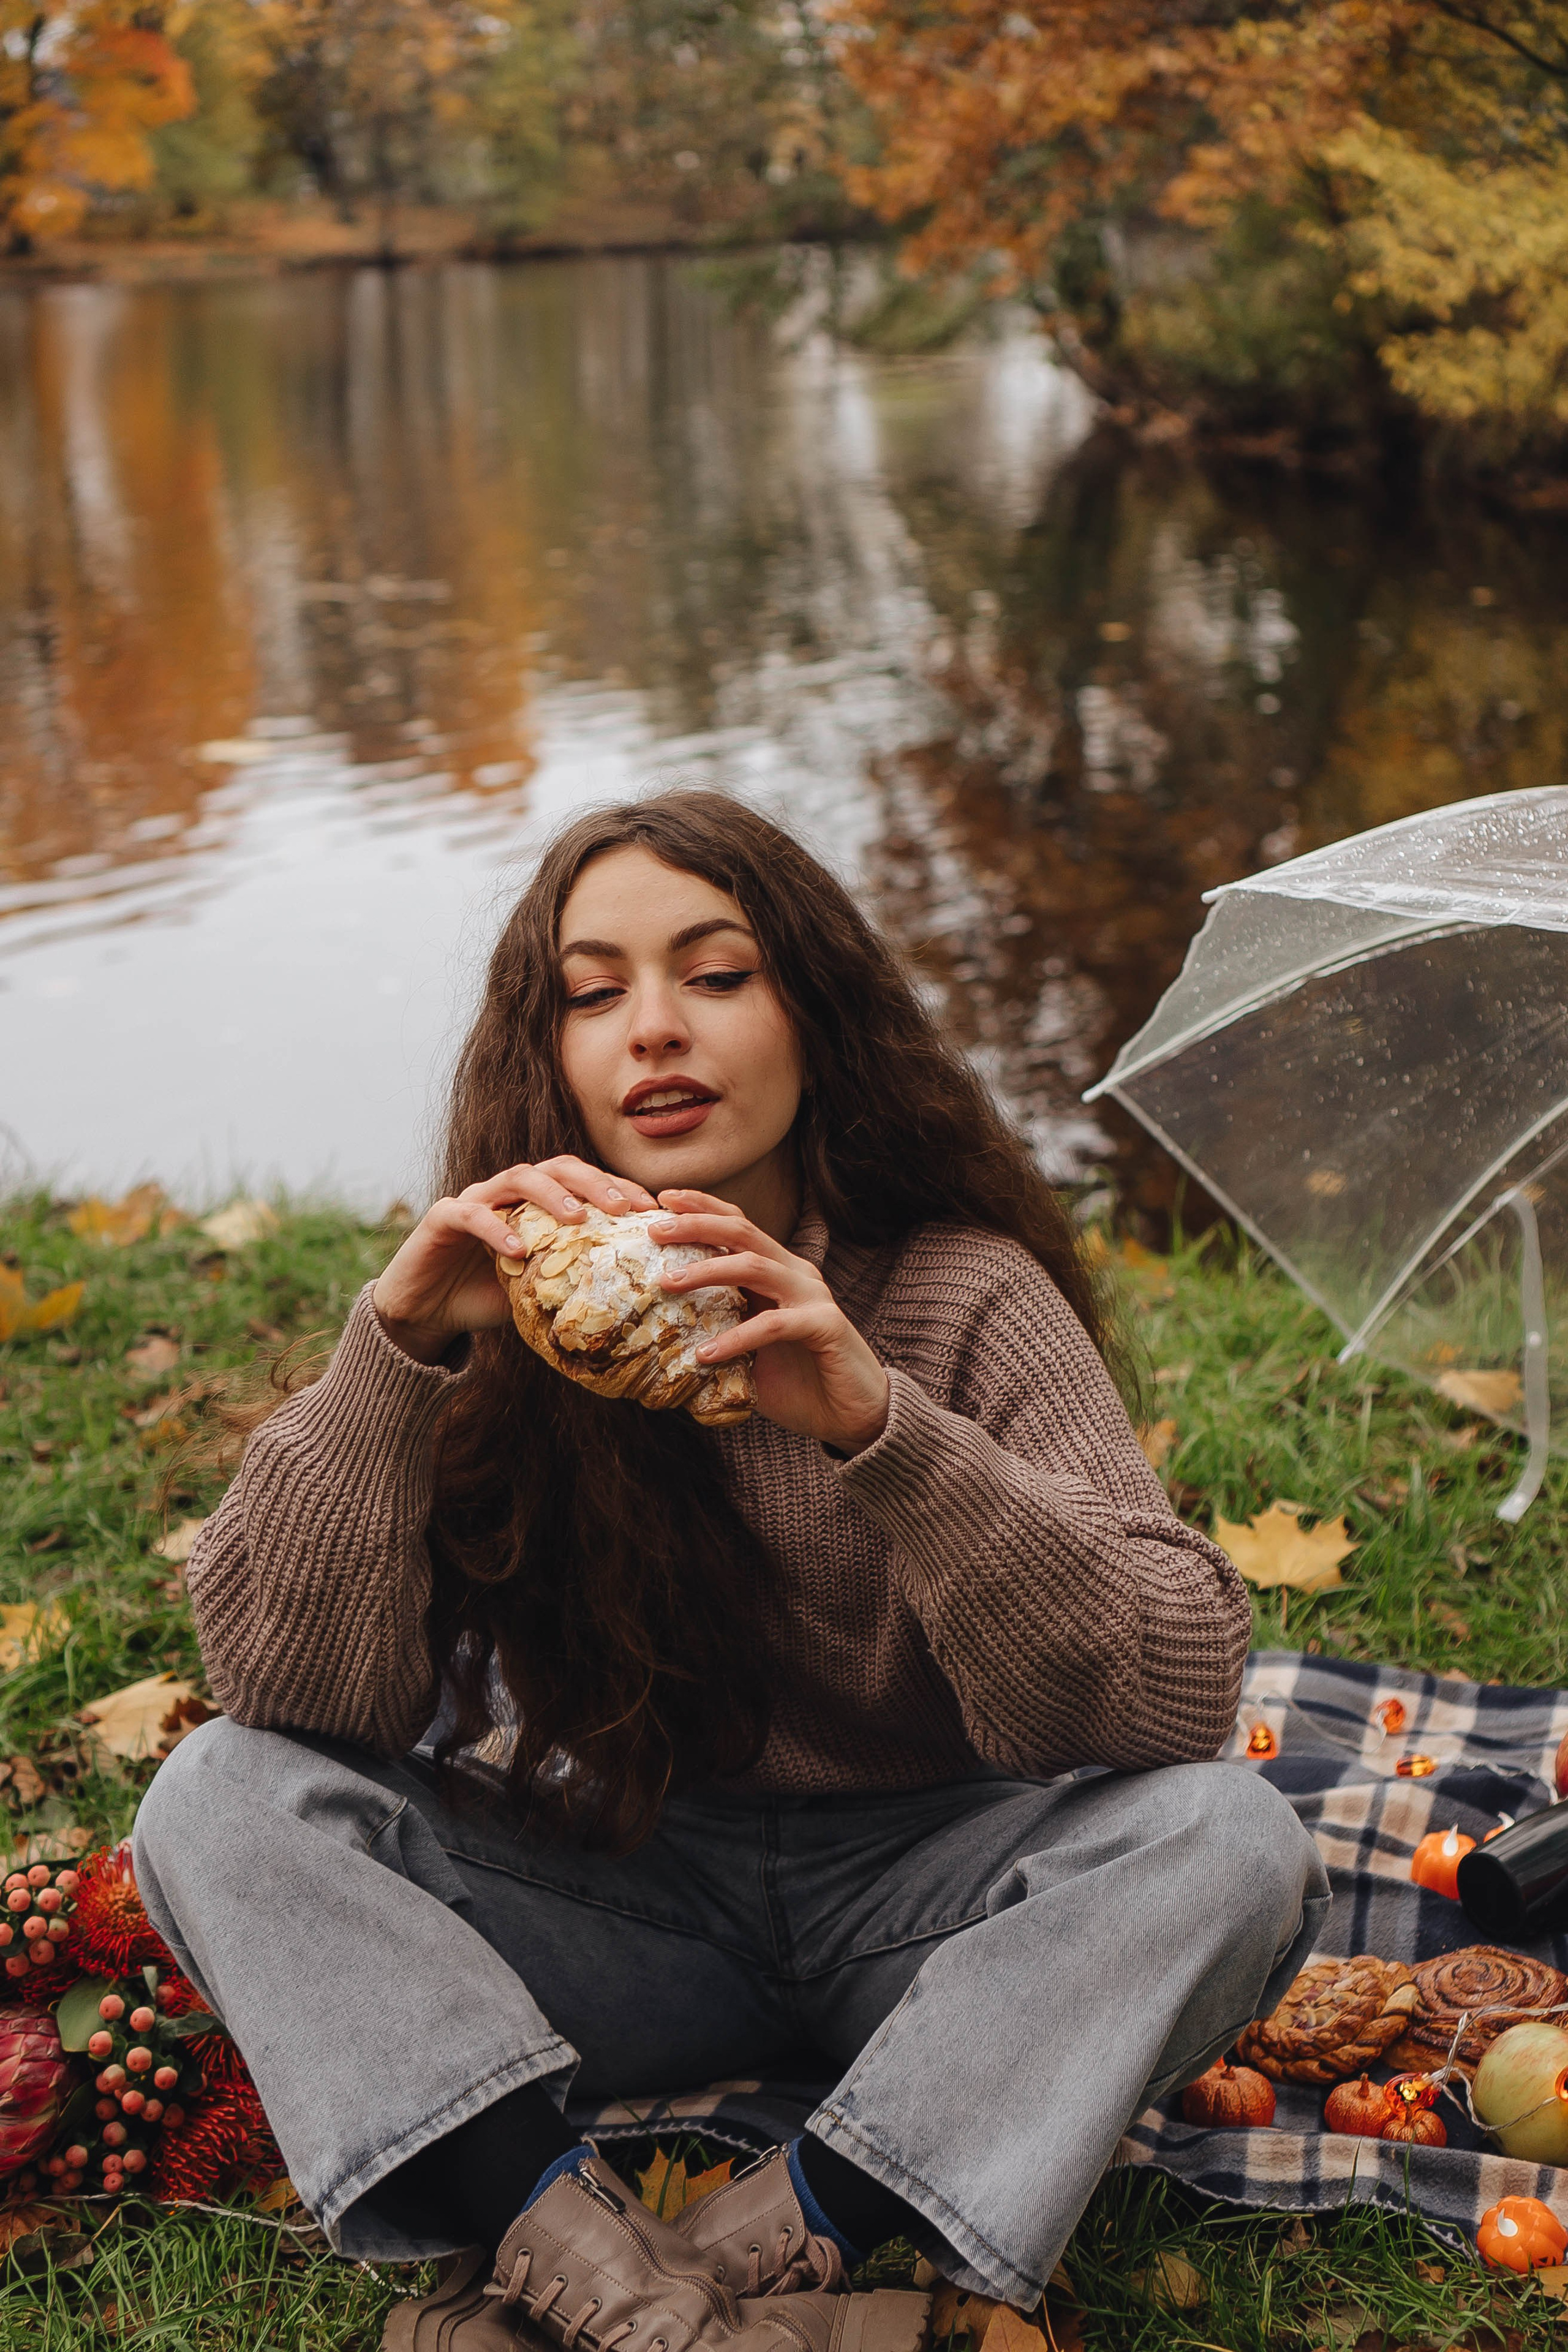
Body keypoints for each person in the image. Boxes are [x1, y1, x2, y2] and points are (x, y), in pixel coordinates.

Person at [134, 791, 1328, 2352]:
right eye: (593, 990)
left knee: (1230, 1844)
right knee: (217, 1796)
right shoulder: (503, 1313)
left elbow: (1172, 1689)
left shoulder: (962, 1297)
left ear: (813, 1016)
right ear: (545, 1051)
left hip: (937, 1908)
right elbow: (293, 1695)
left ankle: (790, 2236)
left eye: (714, 974)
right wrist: (396, 1358)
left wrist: (878, 1428)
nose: (652, 1032)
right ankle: (575, 2245)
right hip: (626, 1894)